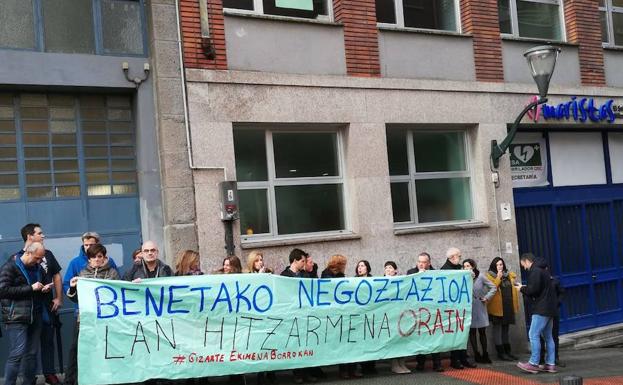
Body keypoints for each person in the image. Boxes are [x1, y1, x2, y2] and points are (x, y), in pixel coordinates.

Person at [64, 244, 120, 385]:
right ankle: (77, 380)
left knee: (106, 349)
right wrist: (72, 287)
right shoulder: (82, 275)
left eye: (99, 256)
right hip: (85, 319)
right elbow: (75, 298)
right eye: (93, 257)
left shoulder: (112, 273)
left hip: (106, 319)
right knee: (80, 350)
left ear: (104, 258)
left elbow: (118, 294)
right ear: (88, 259)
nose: (96, 259)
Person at [16, 224, 63, 385]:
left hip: (47, 306)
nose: (43, 236)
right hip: (29, 309)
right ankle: (30, 377)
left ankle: (49, 373)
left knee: (48, 340)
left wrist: (58, 298)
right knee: (30, 346)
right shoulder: (17, 258)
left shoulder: (48, 254)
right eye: (39, 233)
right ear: (30, 236)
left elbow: (56, 275)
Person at [0, 242, 51, 385]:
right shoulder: (10, 267)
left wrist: (44, 289)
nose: (39, 261)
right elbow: (3, 291)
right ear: (27, 253)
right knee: (17, 355)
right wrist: (30, 288)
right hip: (16, 317)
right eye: (37, 258)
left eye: (41, 259)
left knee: (32, 354)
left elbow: (37, 288)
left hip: (36, 315)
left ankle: (29, 383)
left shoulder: (38, 268)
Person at [321, 255, 362, 379]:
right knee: (342, 343)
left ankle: (352, 368)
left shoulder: (340, 275)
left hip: (345, 311)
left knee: (350, 342)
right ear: (339, 264)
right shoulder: (326, 274)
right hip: (335, 313)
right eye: (344, 264)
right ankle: (343, 370)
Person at [516, 253, 558, 374]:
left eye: (523, 264)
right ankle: (550, 364)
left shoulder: (535, 271)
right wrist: (526, 287)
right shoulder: (544, 270)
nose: (524, 267)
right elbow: (540, 288)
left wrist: (521, 289)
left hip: (541, 308)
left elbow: (533, 290)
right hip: (550, 308)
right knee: (548, 336)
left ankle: (533, 363)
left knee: (533, 334)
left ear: (527, 261)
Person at [280, 249, 316, 384]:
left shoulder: (305, 275)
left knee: (306, 344)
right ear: (295, 261)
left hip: (304, 315)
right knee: (295, 344)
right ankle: (297, 374)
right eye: (302, 261)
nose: (304, 263)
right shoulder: (283, 276)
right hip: (291, 315)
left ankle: (306, 372)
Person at [441, 247, 476, 369]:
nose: (460, 258)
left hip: (461, 307)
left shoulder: (458, 268)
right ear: (452, 257)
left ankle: (463, 358)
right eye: (459, 256)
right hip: (452, 308)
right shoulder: (445, 270)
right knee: (455, 335)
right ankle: (455, 359)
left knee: (462, 333)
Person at [410, 252, 444, 372]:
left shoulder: (436, 273)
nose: (421, 264)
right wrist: (418, 276)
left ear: (429, 263)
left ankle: (437, 362)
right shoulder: (411, 273)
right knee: (421, 336)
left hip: (432, 310)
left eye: (424, 262)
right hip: (418, 311)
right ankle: (420, 362)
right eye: (419, 261)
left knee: (434, 336)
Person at [63, 232, 120, 298]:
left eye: (91, 245)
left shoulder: (109, 261)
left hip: (107, 303)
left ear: (97, 244)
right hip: (85, 305)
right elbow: (67, 284)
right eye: (86, 245)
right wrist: (77, 298)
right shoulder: (75, 262)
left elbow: (118, 283)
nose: (88, 247)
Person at [486, 256, 520, 361]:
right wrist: (498, 278)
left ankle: (508, 351)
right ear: (493, 266)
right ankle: (501, 353)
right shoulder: (489, 276)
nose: (499, 267)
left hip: (508, 306)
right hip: (497, 308)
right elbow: (492, 289)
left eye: (501, 264)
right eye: (497, 265)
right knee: (498, 330)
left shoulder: (508, 275)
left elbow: (513, 286)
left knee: (506, 329)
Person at [463, 258, 496, 364]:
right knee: (472, 332)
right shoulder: (463, 277)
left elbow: (493, 287)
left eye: (468, 266)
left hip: (480, 306)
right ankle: (476, 354)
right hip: (469, 307)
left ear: (473, 266)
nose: (466, 268)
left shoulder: (480, 276)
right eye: (464, 266)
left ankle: (485, 354)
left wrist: (486, 297)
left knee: (482, 331)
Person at [384, 261, 411, 374]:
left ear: (395, 271)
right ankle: (394, 364)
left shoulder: (402, 282)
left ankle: (402, 362)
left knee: (402, 339)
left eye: (390, 268)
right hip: (388, 316)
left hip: (400, 315)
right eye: (386, 268)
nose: (388, 270)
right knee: (393, 340)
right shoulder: (379, 282)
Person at [354, 259, 377, 375]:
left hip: (371, 315)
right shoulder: (353, 281)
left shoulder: (374, 280)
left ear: (367, 268)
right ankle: (362, 366)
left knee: (371, 341)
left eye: (362, 266)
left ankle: (371, 366)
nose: (360, 268)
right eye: (358, 266)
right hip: (359, 316)